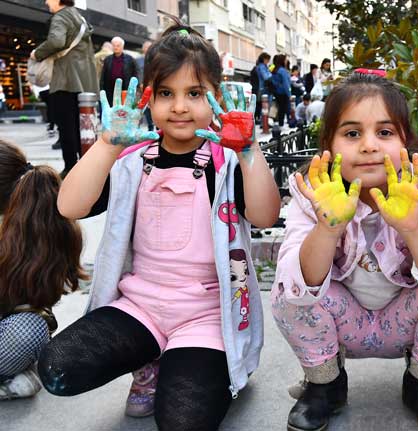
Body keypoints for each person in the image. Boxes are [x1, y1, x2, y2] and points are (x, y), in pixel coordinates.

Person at [37, 20, 280, 430]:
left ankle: (214, 368)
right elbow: (69, 206)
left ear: (216, 99)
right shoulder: (132, 160)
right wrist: (106, 144)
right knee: (58, 369)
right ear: (148, 98)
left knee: (182, 421)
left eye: (195, 93)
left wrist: (250, 152)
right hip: (141, 308)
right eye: (166, 93)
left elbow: (265, 215)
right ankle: (149, 365)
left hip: (207, 317)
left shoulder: (226, 162)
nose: (180, 106)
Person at [272, 72, 418, 431]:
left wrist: (413, 227)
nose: (369, 145)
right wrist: (328, 227)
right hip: (341, 321)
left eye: (384, 133)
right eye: (352, 134)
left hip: (408, 320)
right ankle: (325, 385)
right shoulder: (312, 196)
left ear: (405, 142)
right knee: (287, 294)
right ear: (329, 144)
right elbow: (294, 284)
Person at [0, 140, 86, 400]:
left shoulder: (37, 232)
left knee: (28, 330)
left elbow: (37, 300)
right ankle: (11, 383)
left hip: (10, 326)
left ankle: (16, 376)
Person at [31, 0, 98, 177]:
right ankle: (86, 165)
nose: (46, 2)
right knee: (81, 127)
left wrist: (37, 53)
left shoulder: (61, 16)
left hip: (65, 80)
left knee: (66, 126)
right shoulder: (79, 18)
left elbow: (56, 40)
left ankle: (70, 168)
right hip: (83, 82)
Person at [100, 37, 138, 103]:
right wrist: (102, 89)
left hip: (125, 89)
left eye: (118, 45)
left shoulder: (130, 59)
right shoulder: (108, 59)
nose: (116, 47)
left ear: (122, 46)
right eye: (114, 45)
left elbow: (136, 72)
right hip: (110, 90)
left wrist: (136, 86)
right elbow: (103, 75)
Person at [136, 40, 154, 131]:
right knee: (143, 107)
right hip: (142, 87)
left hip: (154, 87)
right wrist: (140, 83)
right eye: (146, 47)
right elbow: (136, 72)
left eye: (149, 47)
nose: (147, 49)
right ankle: (149, 126)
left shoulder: (157, 59)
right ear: (143, 49)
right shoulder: (137, 60)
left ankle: (157, 126)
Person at [251, 52, 272, 126]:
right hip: (263, 88)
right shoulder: (262, 66)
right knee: (264, 105)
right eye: (267, 59)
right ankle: (264, 123)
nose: (268, 61)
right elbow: (266, 77)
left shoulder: (260, 66)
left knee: (261, 105)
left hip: (261, 88)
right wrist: (271, 74)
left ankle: (262, 121)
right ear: (264, 59)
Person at [271, 53, 291, 127]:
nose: (286, 61)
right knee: (282, 108)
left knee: (278, 107)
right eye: (285, 60)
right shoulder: (282, 71)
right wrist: (289, 94)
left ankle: (275, 121)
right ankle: (281, 124)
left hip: (276, 92)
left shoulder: (275, 70)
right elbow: (286, 83)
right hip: (283, 92)